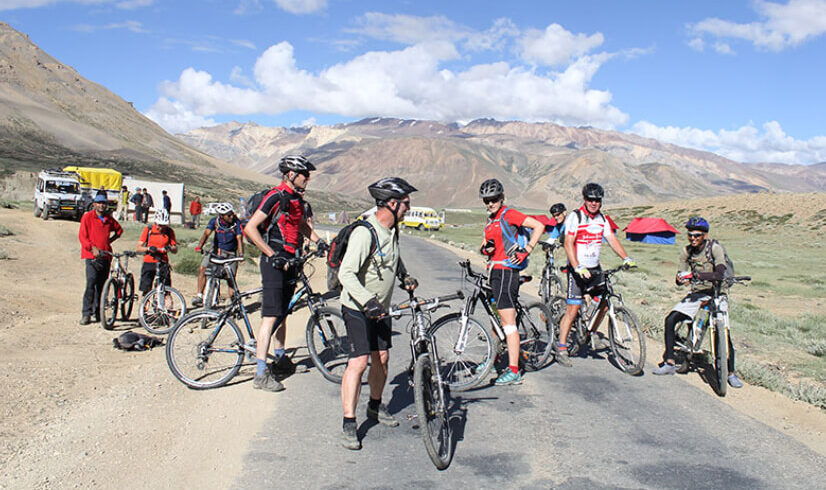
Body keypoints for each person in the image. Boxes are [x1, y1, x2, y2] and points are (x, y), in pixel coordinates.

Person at [338, 177, 419, 450]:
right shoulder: (365, 232)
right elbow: (345, 273)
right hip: (358, 307)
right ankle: (349, 422)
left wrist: (404, 275)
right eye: (406, 203)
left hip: (379, 308)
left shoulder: (392, 230)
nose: (409, 208)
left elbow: (391, 257)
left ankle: (374, 405)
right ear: (392, 204)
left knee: (382, 359)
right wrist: (367, 301)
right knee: (359, 362)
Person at [243, 155, 328, 393]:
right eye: (304, 174)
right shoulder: (275, 196)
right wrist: (271, 253)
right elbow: (250, 228)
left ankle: (280, 360)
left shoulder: (297, 200)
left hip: (291, 260)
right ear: (291, 174)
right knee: (270, 316)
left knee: (284, 313)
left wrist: (319, 241)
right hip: (274, 262)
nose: (308, 178)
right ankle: (260, 373)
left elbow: (299, 226)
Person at [652, 217, 743, 388]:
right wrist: (681, 278)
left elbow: (721, 273)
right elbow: (679, 278)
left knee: (723, 331)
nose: (693, 238)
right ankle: (670, 363)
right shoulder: (686, 252)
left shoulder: (715, 249)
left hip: (717, 292)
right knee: (670, 319)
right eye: (690, 235)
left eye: (697, 235)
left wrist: (697, 276)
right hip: (698, 293)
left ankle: (730, 372)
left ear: (705, 235)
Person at [555, 183, 636, 367]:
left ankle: (590, 332)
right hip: (578, 270)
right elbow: (568, 243)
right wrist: (576, 266)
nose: (593, 203)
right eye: (590, 199)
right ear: (585, 199)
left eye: (597, 200)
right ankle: (561, 348)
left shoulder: (602, 219)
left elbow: (612, 239)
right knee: (572, 310)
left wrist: (626, 257)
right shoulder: (576, 217)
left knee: (605, 304)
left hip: (594, 268)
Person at [478, 178, 545, 385]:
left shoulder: (509, 214)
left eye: (494, 199)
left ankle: (514, 370)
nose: (490, 203)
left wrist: (527, 250)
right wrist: (485, 249)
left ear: (502, 197)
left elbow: (539, 225)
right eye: (486, 200)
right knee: (495, 321)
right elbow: (484, 246)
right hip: (494, 272)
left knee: (508, 323)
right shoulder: (490, 220)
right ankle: (493, 359)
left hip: (508, 272)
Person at [78, 193, 123, 325]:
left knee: (102, 286)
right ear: (94, 204)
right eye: (99, 203)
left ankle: (98, 313)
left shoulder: (109, 219)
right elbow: (82, 237)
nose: (102, 205)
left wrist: (109, 242)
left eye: (104, 203)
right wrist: (92, 248)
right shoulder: (87, 217)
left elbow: (119, 231)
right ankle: (86, 313)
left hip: (105, 256)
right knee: (91, 283)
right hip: (91, 257)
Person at [192, 202, 244, 306]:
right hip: (216, 250)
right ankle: (199, 295)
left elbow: (239, 238)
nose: (231, 216)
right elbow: (207, 233)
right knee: (203, 268)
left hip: (230, 253)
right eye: (228, 215)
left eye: (232, 214)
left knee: (230, 278)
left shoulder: (236, 223)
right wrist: (200, 246)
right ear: (222, 216)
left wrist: (241, 254)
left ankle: (234, 303)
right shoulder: (215, 222)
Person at [136, 208, 178, 296]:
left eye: (163, 225)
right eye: (159, 225)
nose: (161, 227)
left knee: (166, 289)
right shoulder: (148, 230)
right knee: (146, 289)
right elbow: (139, 248)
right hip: (149, 261)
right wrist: (149, 248)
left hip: (163, 262)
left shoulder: (169, 232)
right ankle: (144, 307)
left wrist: (169, 248)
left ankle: (166, 307)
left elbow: (175, 250)